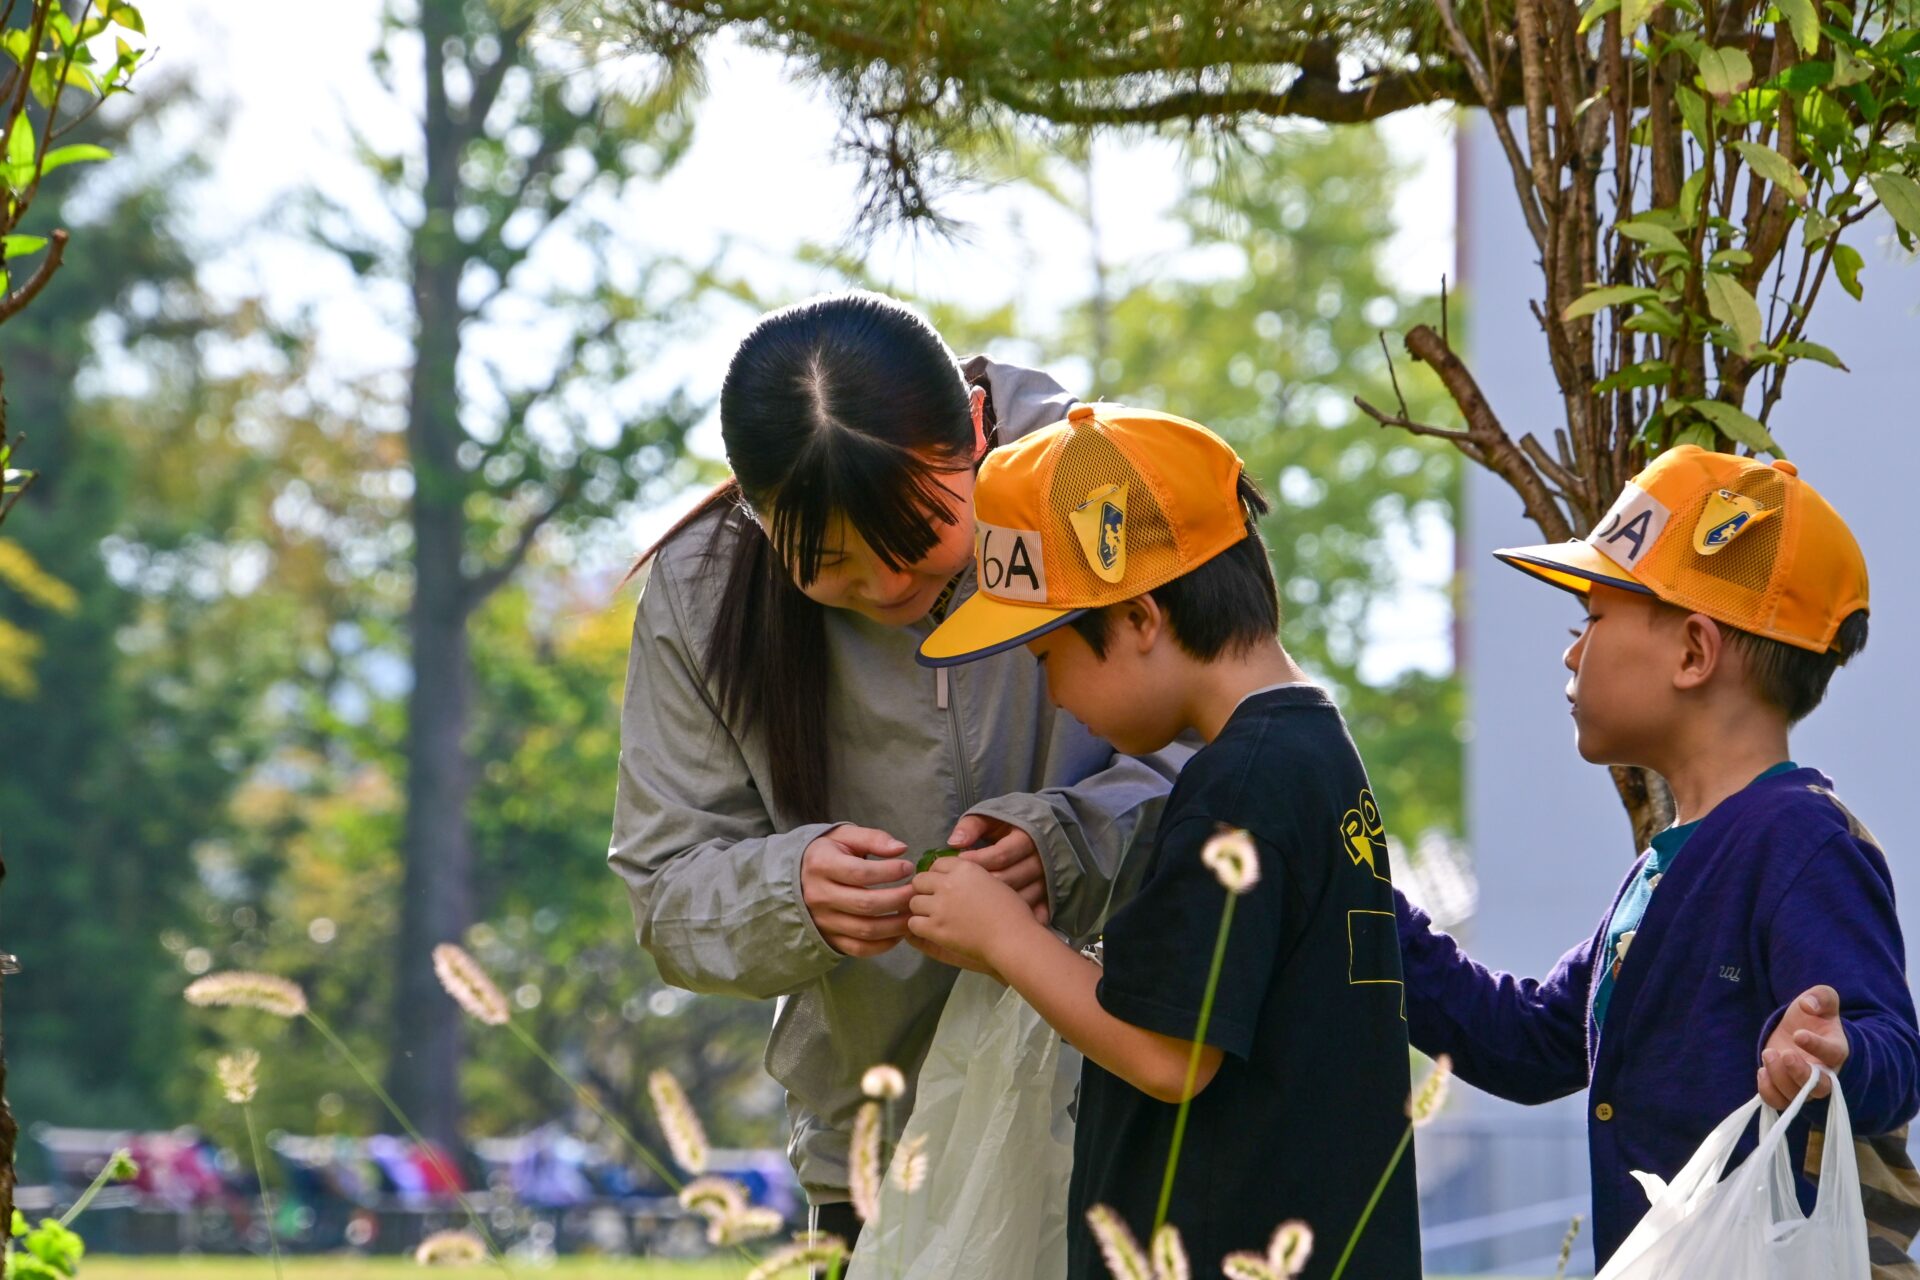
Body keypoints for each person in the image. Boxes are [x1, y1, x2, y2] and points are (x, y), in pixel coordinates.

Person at [607, 293, 1181, 1247]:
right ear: (757, 515)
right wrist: (791, 894)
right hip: (878, 1154)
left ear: (980, 436)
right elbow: (667, 889)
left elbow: (1234, 751)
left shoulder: (1102, 486)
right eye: (828, 563)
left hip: (1130, 1117)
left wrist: (1066, 845)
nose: (885, 587)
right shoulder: (701, 589)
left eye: (916, 542)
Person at [907, 403, 1421, 1280]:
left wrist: (1003, 936)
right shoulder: (1310, 751)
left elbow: (1167, 1054)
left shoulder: (1240, 786)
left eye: (1047, 657)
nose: (1055, 694)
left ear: (1141, 617)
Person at [1396, 445, 1920, 1270]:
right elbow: (1529, 1041)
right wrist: (1363, 906)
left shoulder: (1799, 839)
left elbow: (1890, 1044)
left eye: (1592, 621)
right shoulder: (1661, 868)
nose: (1572, 653)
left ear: (1693, 654)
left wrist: (1834, 1055)